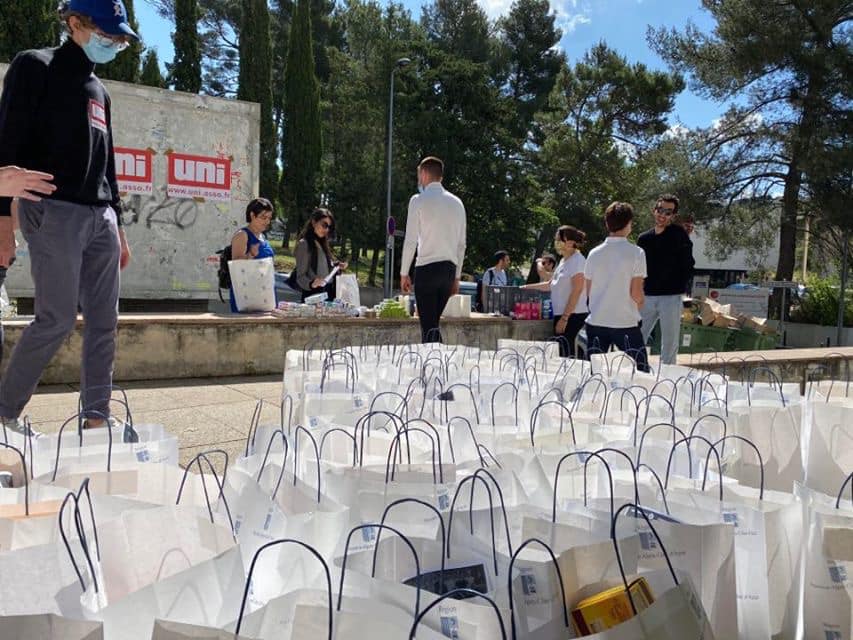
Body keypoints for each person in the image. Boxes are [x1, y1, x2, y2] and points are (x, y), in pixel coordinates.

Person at [0, 0, 138, 434]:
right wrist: (3, 222)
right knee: (56, 318)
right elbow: (7, 142)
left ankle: (97, 418)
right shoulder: (34, 66)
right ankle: (4, 414)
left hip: (101, 218)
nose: (113, 43)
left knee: (104, 323)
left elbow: (107, 163)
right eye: (107, 33)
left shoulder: (101, 90)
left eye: (119, 38)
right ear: (74, 23)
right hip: (53, 210)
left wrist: (120, 225)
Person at [400, 156, 467, 343]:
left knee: (428, 328)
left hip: (426, 269)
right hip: (448, 270)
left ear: (423, 173)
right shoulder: (458, 203)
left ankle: (435, 367)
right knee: (433, 324)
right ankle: (436, 365)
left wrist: (404, 272)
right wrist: (457, 276)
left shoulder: (418, 200)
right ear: (441, 177)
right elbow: (461, 245)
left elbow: (411, 240)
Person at [584, 202, 649, 371]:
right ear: (628, 223)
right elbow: (636, 293)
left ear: (607, 223)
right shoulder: (637, 253)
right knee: (642, 372)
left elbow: (589, 291)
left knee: (594, 374)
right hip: (625, 322)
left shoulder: (594, 253)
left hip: (597, 320)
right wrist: (640, 304)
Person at [637, 194, 695, 365]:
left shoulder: (679, 235)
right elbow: (638, 269)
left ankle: (666, 380)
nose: (663, 214)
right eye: (660, 210)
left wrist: (681, 287)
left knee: (669, 343)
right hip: (646, 296)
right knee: (636, 336)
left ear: (673, 216)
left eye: (668, 212)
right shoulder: (643, 238)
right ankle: (634, 370)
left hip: (671, 296)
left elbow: (688, 264)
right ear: (654, 211)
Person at [523, 226, 589, 358]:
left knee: (567, 353)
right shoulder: (564, 261)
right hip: (562, 314)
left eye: (559, 240)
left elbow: (577, 289)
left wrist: (565, 318)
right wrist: (526, 287)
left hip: (572, 316)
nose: (556, 243)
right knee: (561, 351)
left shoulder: (578, 261)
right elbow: (551, 284)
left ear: (570, 243)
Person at [228, 198, 276, 313]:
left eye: (269, 218)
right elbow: (236, 265)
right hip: (247, 296)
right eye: (263, 217)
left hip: (264, 294)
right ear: (252, 215)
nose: (267, 221)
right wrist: (250, 255)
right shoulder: (242, 235)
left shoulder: (263, 237)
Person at [294, 208, 347, 302]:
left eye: (329, 227)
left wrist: (337, 266)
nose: (326, 229)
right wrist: (311, 284)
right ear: (314, 222)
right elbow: (300, 277)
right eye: (324, 225)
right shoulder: (304, 244)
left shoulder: (322, 244)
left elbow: (324, 268)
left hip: (328, 294)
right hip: (313, 296)